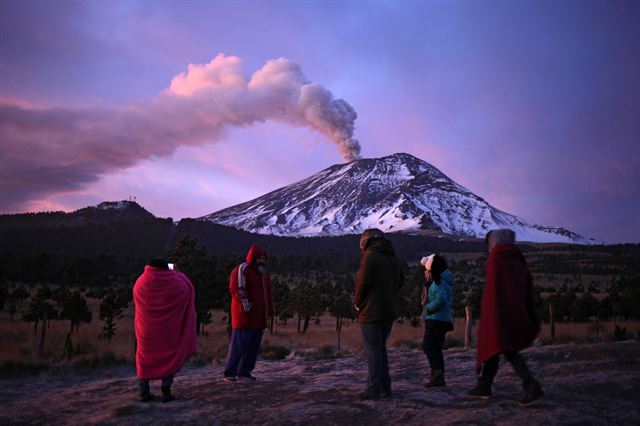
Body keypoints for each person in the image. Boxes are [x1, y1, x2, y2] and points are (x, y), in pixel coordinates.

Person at [468, 229, 544, 406]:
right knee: (495, 349)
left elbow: (494, 292)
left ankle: (531, 386)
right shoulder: (517, 258)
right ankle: (484, 386)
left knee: (506, 349)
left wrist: (491, 315)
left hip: (500, 314)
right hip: (513, 311)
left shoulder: (497, 259)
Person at [133, 258, 196, 403]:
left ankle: (144, 392)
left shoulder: (141, 282)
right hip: (168, 330)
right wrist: (178, 273)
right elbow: (187, 288)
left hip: (146, 330)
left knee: (143, 357)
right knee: (169, 357)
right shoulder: (176, 283)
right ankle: (166, 391)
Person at [354, 228, 404, 399]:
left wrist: (358, 304)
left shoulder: (370, 256)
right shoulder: (394, 257)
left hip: (371, 312)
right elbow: (400, 283)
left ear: (369, 240)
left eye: (362, 241)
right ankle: (385, 387)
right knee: (380, 349)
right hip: (388, 311)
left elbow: (363, 283)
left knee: (373, 351)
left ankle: (373, 388)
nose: (360, 245)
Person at [223, 244, 274, 382]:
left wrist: (270, 311)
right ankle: (230, 373)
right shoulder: (242, 269)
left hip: (259, 318)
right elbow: (239, 291)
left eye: (264, 258)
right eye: (260, 258)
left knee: (252, 349)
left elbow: (267, 294)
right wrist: (246, 309)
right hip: (244, 318)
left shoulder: (263, 274)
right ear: (253, 258)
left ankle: (244, 372)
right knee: (238, 347)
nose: (262, 261)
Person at [420, 253, 454, 388]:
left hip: (436, 319)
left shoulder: (438, 283)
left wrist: (428, 309)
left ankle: (437, 376)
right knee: (436, 348)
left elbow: (441, 299)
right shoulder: (443, 281)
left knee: (428, 346)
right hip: (443, 319)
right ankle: (438, 376)